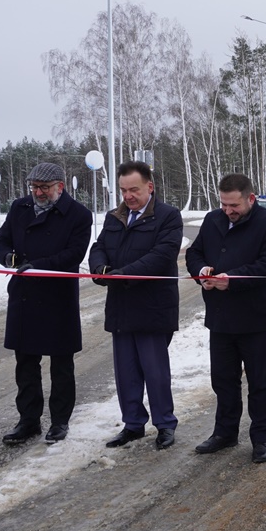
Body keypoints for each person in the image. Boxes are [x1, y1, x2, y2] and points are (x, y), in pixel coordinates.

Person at [186, 173, 266, 464]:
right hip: (220, 317)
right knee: (223, 380)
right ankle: (225, 432)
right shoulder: (212, 219)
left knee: (260, 383)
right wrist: (202, 272)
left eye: (234, 205)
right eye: (224, 204)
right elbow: (193, 253)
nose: (228, 211)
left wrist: (231, 280)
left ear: (251, 199)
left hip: (255, 318)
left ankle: (260, 438)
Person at [0, 162, 93, 445]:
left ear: (60, 186)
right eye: (34, 187)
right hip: (24, 295)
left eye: (44, 187)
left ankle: (60, 421)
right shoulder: (19, 208)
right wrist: (10, 259)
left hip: (57, 297)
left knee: (61, 365)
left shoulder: (78, 215)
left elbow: (73, 254)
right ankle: (28, 421)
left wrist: (37, 266)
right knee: (25, 363)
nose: (38, 192)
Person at [88, 161, 183, 451]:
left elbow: (162, 255)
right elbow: (98, 247)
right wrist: (99, 268)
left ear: (149, 187)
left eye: (134, 190)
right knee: (126, 371)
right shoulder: (114, 217)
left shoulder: (168, 217)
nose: (128, 196)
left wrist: (123, 275)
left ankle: (164, 424)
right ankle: (132, 424)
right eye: (123, 190)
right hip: (121, 305)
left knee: (154, 371)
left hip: (153, 307)